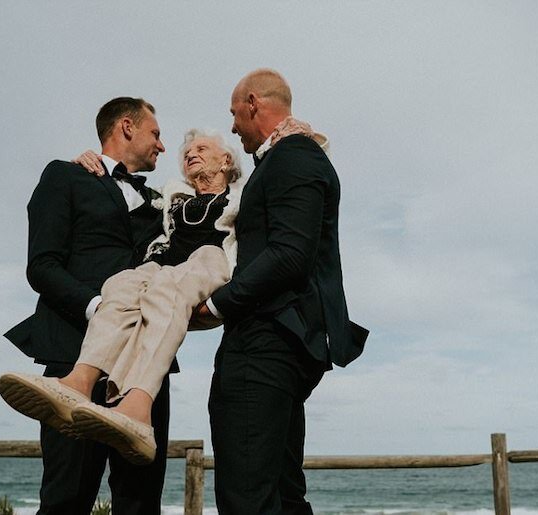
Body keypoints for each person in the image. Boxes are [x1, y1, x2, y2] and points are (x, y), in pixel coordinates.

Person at [0, 129, 242, 466]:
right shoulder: (169, 195)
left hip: (210, 258)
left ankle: (138, 407)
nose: (190, 154)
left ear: (225, 160)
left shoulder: (244, 195)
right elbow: (116, 191)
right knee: (121, 284)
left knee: (166, 287)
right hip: (163, 265)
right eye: (187, 152)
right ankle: (78, 383)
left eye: (201, 148)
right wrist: (88, 162)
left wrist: (305, 137)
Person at [197, 69, 370, 514]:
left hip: (266, 341)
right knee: (282, 492)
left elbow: (290, 254)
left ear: (253, 103)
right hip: (283, 341)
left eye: (234, 113)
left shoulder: (294, 156)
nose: (233, 126)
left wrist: (216, 304)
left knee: (247, 496)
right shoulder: (290, 157)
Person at [0, 97, 170, 514]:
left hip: (144, 370)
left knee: (141, 501)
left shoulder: (164, 203)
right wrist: (101, 311)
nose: (162, 146)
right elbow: (42, 265)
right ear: (126, 127)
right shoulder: (66, 176)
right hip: (73, 352)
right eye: (155, 133)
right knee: (66, 498)